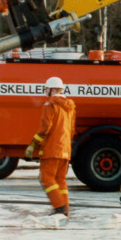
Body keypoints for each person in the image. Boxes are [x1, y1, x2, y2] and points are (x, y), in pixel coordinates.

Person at [25, 76, 76, 217]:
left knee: (47, 178)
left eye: (46, 89)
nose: (45, 91)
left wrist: (33, 144)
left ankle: (59, 207)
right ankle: (64, 208)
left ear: (53, 89)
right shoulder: (70, 107)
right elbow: (71, 130)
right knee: (60, 180)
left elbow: (45, 128)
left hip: (52, 149)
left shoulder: (50, 105)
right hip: (65, 149)